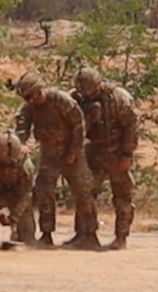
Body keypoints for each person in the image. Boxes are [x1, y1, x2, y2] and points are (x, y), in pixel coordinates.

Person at [13, 70, 102, 250]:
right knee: (44, 191)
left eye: (30, 96)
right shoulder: (29, 107)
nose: (29, 101)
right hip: (49, 155)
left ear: (39, 91)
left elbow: (79, 125)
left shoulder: (61, 100)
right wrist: (20, 144)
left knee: (83, 193)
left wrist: (73, 151)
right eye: (26, 98)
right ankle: (46, 234)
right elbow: (22, 128)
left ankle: (89, 235)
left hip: (72, 155)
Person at [71, 66, 138, 250]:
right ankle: (85, 235)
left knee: (122, 196)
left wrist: (127, 154)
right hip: (93, 151)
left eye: (90, 91)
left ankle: (121, 237)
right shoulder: (77, 97)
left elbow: (131, 127)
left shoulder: (119, 98)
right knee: (84, 192)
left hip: (116, 152)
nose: (87, 95)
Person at [0, 131, 36, 246]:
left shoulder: (26, 165)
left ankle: (21, 234)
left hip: (15, 192)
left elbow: (26, 194)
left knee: (27, 237)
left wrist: (13, 217)